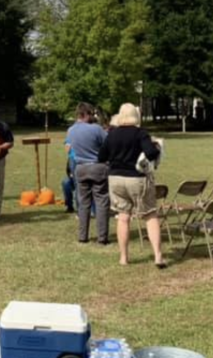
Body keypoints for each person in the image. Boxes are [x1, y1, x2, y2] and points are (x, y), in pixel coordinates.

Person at [96, 103, 167, 268]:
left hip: (115, 178)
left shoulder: (112, 134)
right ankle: (158, 256)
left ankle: (124, 258)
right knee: (150, 215)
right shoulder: (140, 133)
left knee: (123, 217)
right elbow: (150, 153)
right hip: (137, 178)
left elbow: (101, 156)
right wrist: (156, 147)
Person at [67, 102, 110, 244]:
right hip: (97, 166)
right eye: (92, 114)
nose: (93, 116)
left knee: (83, 202)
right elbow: (108, 144)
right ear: (86, 114)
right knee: (101, 201)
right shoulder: (96, 129)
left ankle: (82, 236)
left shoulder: (71, 131)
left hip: (80, 167)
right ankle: (102, 237)